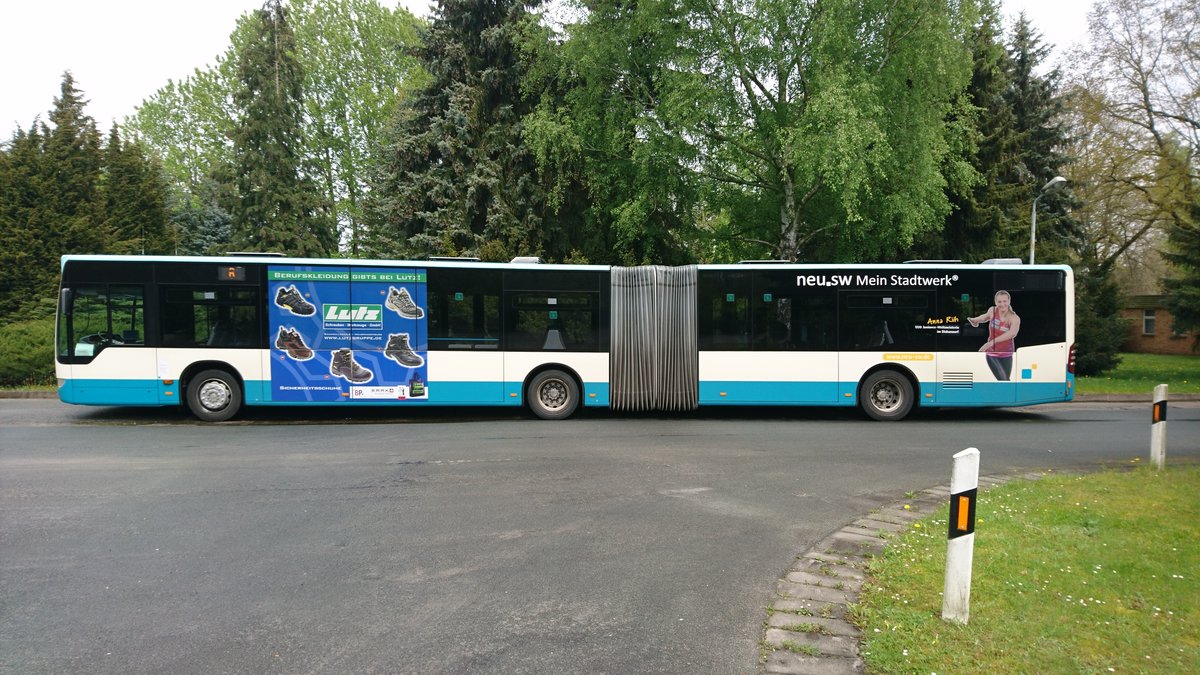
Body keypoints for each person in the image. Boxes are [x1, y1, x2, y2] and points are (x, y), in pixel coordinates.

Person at [967, 290, 1020, 381]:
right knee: (1004, 380)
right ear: (996, 302)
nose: (1002, 304)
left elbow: (1012, 333)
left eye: (1004, 301)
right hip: (992, 353)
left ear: (1009, 301)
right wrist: (974, 320)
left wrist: (991, 343)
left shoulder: (1014, 318)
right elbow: (984, 317)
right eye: (999, 301)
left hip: (1007, 353)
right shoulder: (992, 310)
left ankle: (1004, 395)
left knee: (1005, 381)